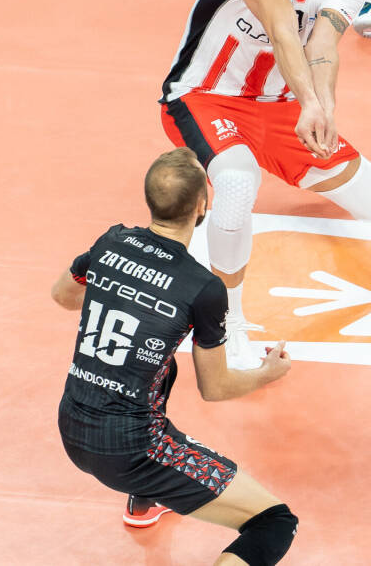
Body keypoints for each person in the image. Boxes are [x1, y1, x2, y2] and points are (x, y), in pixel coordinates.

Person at [159, 0, 371, 369]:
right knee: (237, 183)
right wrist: (310, 103)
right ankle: (225, 325)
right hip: (206, 96)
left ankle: (294, 167)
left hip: (282, 106)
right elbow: (283, 28)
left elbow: (323, 45)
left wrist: (322, 109)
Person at [52, 148, 299, 563]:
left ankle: (143, 500)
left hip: (72, 426)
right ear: (202, 206)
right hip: (134, 449)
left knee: (158, 369)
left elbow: (62, 295)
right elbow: (215, 388)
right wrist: (267, 373)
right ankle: (147, 481)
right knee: (274, 522)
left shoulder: (111, 242)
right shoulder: (202, 287)